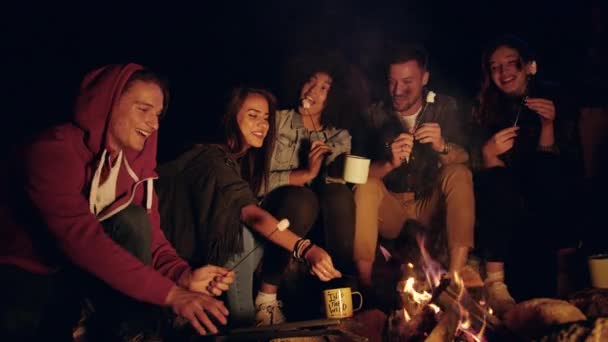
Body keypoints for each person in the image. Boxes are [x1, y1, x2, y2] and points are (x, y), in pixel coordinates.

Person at [0, 64, 233, 341]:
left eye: (158, 115)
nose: (154, 124)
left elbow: (151, 238)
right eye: (143, 109)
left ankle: (130, 333)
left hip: (71, 274)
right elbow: (84, 240)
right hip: (20, 269)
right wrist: (172, 294)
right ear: (107, 103)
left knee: (133, 220)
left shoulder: (131, 167)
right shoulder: (53, 151)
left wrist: (182, 275)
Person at [157, 87, 342, 327]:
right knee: (244, 232)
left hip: (204, 261)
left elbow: (262, 192)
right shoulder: (211, 158)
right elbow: (250, 214)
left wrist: (310, 171)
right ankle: (244, 323)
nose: (263, 125)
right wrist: (306, 249)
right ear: (230, 117)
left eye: (266, 118)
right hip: (174, 261)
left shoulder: (241, 161)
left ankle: (258, 308)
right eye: (253, 116)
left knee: (296, 205)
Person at [471, 35, 582, 315]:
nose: (504, 73)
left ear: (528, 67)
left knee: (548, 172)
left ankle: (564, 279)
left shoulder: (553, 99)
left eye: (512, 64)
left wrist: (547, 126)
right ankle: (495, 283)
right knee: (498, 179)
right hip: (504, 197)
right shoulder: (485, 108)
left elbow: (565, 163)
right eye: (496, 67)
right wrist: (488, 155)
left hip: (544, 192)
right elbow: (478, 167)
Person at [351, 44, 474, 289]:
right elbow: (354, 175)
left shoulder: (445, 107)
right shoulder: (374, 115)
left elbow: (466, 159)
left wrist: (442, 146)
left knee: (459, 173)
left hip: (429, 203)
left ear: (424, 78)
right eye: (392, 82)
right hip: (392, 209)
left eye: (407, 82)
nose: (397, 90)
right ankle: (364, 286)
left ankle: (454, 281)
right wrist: (389, 163)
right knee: (366, 186)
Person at [259, 55, 366, 323]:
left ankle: (339, 298)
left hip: (317, 219)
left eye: (323, 87)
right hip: (275, 208)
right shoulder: (276, 121)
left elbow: (335, 190)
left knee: (339, 195)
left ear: (336, 96)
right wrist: (304, 173)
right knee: (302, 198)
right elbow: (256, 180)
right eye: (310, 81)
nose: (311, 90)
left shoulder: (338, 136)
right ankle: (266, 300)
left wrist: (330, 170)